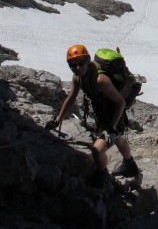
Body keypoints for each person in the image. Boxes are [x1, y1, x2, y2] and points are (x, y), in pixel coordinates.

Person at [49, 44, 139, 177]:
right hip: (102, 113)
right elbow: (70, 98)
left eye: (80, 63)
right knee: (117, 138)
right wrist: (57, 121)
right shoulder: (77, 78)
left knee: (97, 150)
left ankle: (103, 177)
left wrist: (111, 127)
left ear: (88, 60)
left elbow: (121, 102)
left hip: (114, 114)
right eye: (72, 65)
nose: (77, 68)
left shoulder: (101, 80)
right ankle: (130, 165)